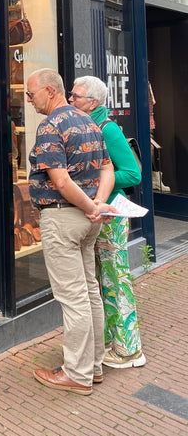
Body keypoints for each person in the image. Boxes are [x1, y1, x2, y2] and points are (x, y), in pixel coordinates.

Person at [26, 68, 115, 395]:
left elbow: (60, 181)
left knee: (74, 297)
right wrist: (98, 203)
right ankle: (93, 367)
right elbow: (107, 167)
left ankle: (77, 374)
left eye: (31, 94)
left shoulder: (51, 126)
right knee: (89, 291)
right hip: (88, 221)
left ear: (50, 91)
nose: (29, 100)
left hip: (63, 218)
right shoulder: (89, 121)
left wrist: (92, 207)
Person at [70, 76, 146, 369]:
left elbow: (133, 173)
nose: (71, 99)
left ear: (92, 103)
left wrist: (101, 180)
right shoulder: (84, 126)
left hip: (111, 217)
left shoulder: (108, 129)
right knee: (101, 282)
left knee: (115, 280)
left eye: (76, 96)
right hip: (95, 215)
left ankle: (129, 351)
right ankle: (108, 342)